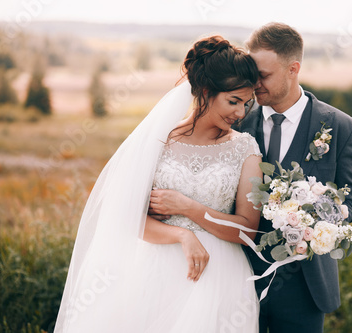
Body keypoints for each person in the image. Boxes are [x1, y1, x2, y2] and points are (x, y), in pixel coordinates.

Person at [54, 35, 263, 333]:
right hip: (153, 275)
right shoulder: (157, 142)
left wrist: (189, 208)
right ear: (205, 91)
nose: (241, 113)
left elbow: (247, 231)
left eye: (246, 103)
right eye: (233, 101)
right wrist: (182, 235)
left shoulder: (245, 148)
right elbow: (127, 220)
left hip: (221, 279)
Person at [233, 22, 352, 333]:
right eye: (252, 75)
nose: (255, 84)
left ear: (293, 69)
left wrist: (309, 218)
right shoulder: (234, 123)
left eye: (263, 76)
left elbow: (350, 203)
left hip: (306, 285)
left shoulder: (340, 126)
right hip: (237, 278)